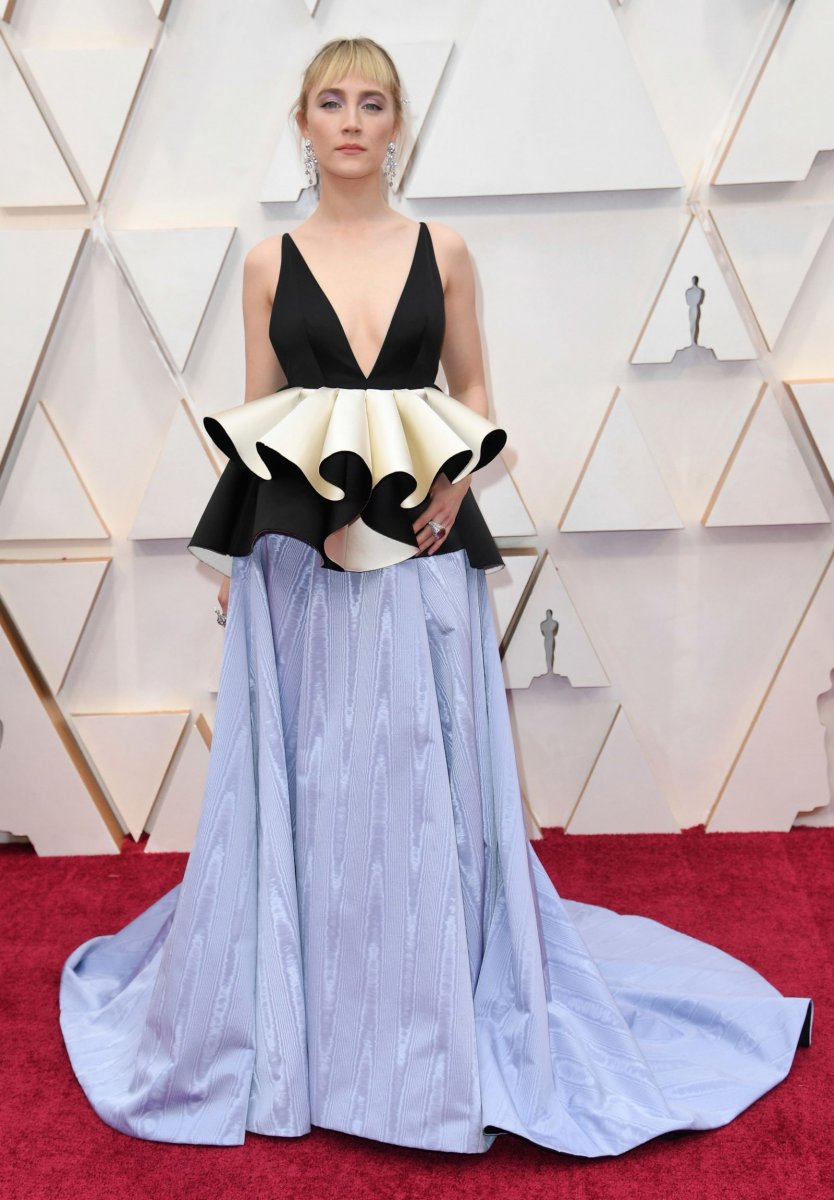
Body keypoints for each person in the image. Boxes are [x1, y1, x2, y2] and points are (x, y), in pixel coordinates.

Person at [59, 36, 812, 1156]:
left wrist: (457, 481)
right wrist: (243, 566)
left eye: (372, 103)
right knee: (318, 771)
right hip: (301, 561)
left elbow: (474, 388)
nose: (352, 121)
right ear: (303, 124)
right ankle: (315, 1011)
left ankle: (425, 1010)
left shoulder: (443, 251)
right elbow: (259, 416)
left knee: (418, 766)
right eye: (331, 102)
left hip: (421, 540)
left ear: (397, 124)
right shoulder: (267, 264)